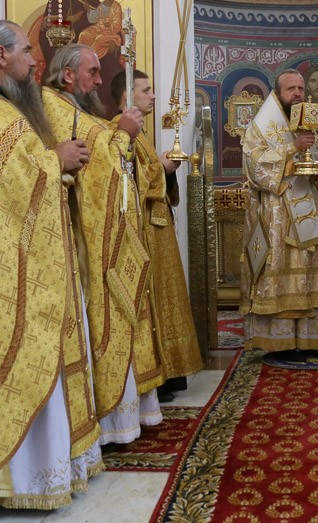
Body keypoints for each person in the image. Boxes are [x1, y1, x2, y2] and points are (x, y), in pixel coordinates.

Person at [0, 20, 100, 513]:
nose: (34, 60)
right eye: (27, 51)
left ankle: (45, 469)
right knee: (15, 357)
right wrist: (55, 160)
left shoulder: (2, 103)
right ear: (2, 56)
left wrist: (55, 164)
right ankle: (18, 479)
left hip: (31, 257)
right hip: (2, 269)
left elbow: (16, 171)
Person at [41, 43, 165, 445]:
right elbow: (98, 169)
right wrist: (123, 134)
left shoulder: (79, 112)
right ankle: (111, 420)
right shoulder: (55, 107)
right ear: (68, 75)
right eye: (92, 72)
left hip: (111, 237)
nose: (99, 81)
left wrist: (121, 137)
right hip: (87, 243)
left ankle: (128, 413)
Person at [240, 69, 318, 362]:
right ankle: (282, 342)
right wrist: (293, 148)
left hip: (310, 209)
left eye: (301, 88)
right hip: (276, 214)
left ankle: (314, 339)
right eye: (291, 89)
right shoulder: (261, 127)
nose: (298, 93)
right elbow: (254, 166)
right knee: (279, 271)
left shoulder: (316, 122)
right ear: (278, 93)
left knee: (313, 272)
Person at [113, 68, 204, 402]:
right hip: (144, 233)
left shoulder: (141, 135)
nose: (153, 96)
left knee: (168, 296)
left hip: (159, 230)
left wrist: (164, 171)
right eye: (146, 90)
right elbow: (123, 181)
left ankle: (172, 369)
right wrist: (160, 169)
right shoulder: (116, 132)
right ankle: (158, 374)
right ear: (127, 96)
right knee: (154, 300)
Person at [38, 0, 100, 74]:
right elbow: (47, 27)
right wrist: (67, 20)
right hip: (65, 40)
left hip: (86, 41)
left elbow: (100, 20)